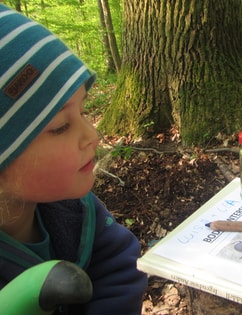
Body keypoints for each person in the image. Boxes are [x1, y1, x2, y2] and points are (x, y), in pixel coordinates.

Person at [0, 4, 147, 314]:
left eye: (83, 112)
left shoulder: (74, 211)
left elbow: (118, 266)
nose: (92, 135)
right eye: (60, 127)